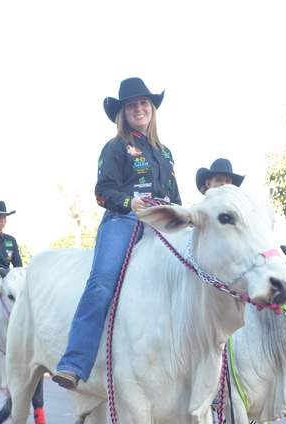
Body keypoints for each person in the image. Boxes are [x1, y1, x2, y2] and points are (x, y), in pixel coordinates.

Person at [53, 77, 182, 390]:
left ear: (151, 108)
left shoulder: (165, 153)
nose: (139, 109)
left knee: (189, 275)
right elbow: (103, 192)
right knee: (101, 282)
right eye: (131, 105)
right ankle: (74, 362)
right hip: (124, 220)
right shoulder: (115, 147)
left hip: (161, 222)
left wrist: (181, 219)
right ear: (123, 113)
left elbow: (176, 197)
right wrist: (129, 202)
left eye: (143, 103)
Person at [0, 200, 52, 424]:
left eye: (4, 216)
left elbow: (18, 267)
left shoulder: (11, 241)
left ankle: (41, 423)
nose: (2, 220)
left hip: (10, 289)